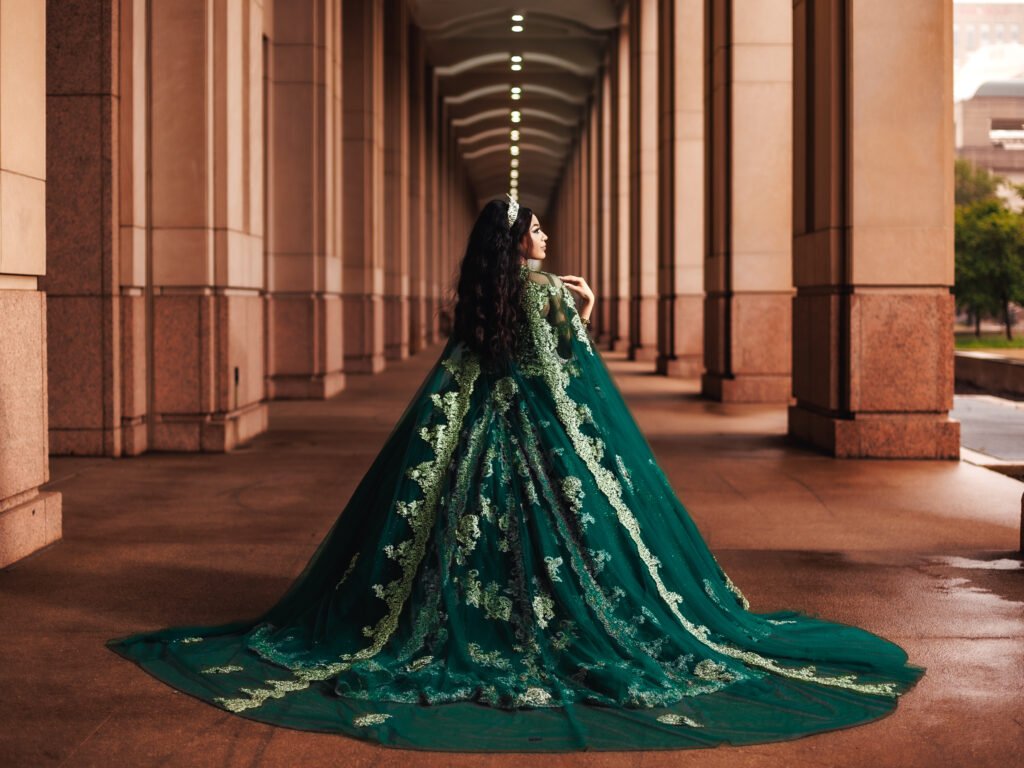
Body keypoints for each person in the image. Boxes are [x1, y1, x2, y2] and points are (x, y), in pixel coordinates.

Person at [107, 196, 925, 752]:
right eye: (533, 229)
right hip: (533, 437)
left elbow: (490, 358)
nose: (542, 237)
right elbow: (553, 370)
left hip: (477, 434)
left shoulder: (492, 293)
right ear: (517, 242)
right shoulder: (542, 293)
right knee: (578, 536)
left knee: (449, 531)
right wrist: (583, 310)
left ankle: (451, 619)